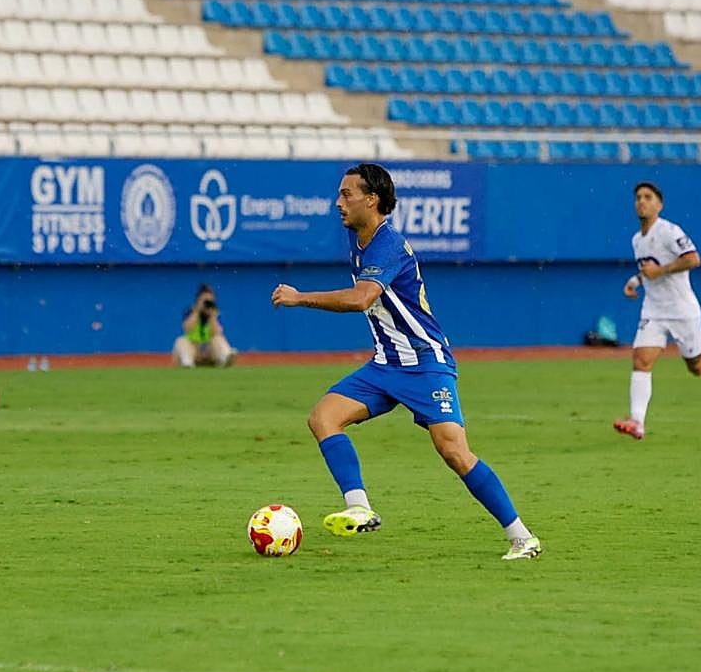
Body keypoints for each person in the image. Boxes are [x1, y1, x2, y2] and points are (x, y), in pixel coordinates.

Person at [271, 163, 540, 561]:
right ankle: (359, 506)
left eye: (347, 194)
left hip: (426, 363)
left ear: (372, 199)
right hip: (386, 364)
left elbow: (361, 298)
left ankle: (522, 537)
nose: (338, 202)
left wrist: (299, 297)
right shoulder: (357, 237)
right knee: (323, 418)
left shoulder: (387, 243)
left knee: (454, 452)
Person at [613, 181, 701, 440]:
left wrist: (660, 271)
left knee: (696, 367)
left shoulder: (669, 231)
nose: (641, 201)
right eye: (638, 197)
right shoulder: (637, 240)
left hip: (682, 310)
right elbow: (648, 269)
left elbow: (693, 258)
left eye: (648, 197)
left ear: (659, 205)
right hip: (653, 309)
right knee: (641, 360)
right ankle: (637, 422)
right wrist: (635, 281)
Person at [172, 283, 236, 367]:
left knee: (218, 339)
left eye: (210, 301)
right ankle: (187, 362)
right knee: (181, 341)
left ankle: (225, 357)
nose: (207, 304)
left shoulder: (215, 314)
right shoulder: (190, 311)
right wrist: (197, 311)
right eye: (205, 301)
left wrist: (212, 317)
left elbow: (218, 333)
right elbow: (187, 328)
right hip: (194, 350)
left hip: (210, 352)